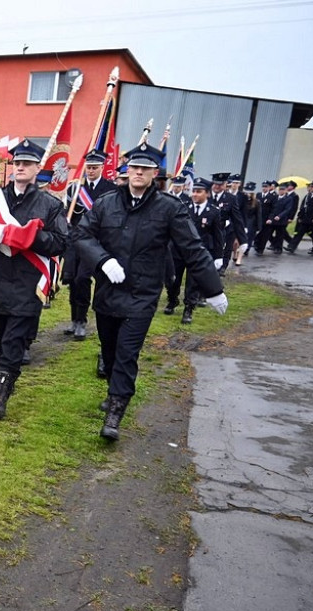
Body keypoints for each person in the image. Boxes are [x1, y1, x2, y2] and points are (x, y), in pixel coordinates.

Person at [73, 143, 227, 441]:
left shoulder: (168, 208)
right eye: (134, 167)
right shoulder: (106, 203)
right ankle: (113, 391)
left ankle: (116, 411)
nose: (138, 172)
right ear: (126, 170)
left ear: (155, 173)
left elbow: (192, 248)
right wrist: (102, 260)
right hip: (108, 291)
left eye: (145, 168)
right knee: (109, 350)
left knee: (127, 352)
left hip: (142, 295)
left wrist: (213, 289)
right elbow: (81, 234)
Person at [0, 138, 69, 419]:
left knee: (14, 339)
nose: (21, 167)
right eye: (18, 163)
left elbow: (61, 242)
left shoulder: (50, 205)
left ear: (38, 168)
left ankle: (0, 394)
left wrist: (31, 236)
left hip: (28, 282)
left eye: (27, 163)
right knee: (1, 333)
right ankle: (8, 371)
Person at [64, 149, 118, 341]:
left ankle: (82, 321)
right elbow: (69, 214)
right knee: (71, 280)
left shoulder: (111, 189)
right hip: (75, 241)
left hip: (95, 242)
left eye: (95, 168)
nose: (91, 171)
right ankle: (73, 319)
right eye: (88, 167)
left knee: (82, 279)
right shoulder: (75, 188)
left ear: (102, 168)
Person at [179, 178, 225, 324]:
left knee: (193, 282)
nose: (194, 194)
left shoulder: (213, 211)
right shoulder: (184, 207)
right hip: (180, 250)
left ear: (207, 194)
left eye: (199, 192)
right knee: (173, 281)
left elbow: (218, 235)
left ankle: (188, 309)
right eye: (193, 191)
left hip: (199, 252)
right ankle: (172, 300)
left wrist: (219, 256)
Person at [210, 172, 246, 275]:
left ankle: (223, 268)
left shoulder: (231, 198)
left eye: (220, 184)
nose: (217, 186)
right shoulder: (207, 195)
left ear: (225, 184)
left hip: (227, 228)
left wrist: (242, 238)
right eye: (215, 184)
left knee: (227, 248)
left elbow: (237, 216)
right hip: (210, 230)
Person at [285, 180, 313, 254]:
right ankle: (292, 247)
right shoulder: (308, 195)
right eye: (310, 186)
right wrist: (300, 216)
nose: (310, 188)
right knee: (299, 233)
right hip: (305, 218)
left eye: (312, 186)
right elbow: (303, 207)